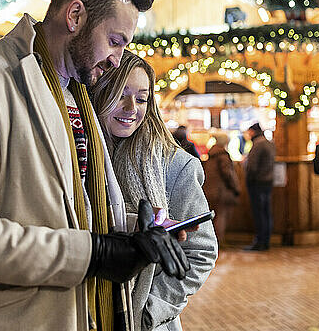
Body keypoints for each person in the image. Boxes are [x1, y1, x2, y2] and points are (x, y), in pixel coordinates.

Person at [0, 0, 190, 331]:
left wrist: (134, 233)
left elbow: (63, 210)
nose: (117, 59)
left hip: (84, 313)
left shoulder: (76, 94)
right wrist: (95, 254)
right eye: (114, 41)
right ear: (75, 15)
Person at [90, 50, 217, 331]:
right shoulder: (79, 155)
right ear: (98, 93)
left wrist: (150, 311)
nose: (130, 107)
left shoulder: (174, 164)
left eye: (141, 98)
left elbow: (202, 251)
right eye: (119, 93)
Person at [203, 134, 240, 246]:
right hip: (220, 192)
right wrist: (235, 187)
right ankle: (218, 243)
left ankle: (210, 242)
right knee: (221, 217)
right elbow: (227, 174)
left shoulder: (211, 154)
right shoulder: (223, 155)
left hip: (208, 190)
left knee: (211, 218)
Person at [243, 123, 275, 251]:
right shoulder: (269, 143)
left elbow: (252, 167)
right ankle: (266, 240)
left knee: (259, 213)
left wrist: (247, 173)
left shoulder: (258, 144)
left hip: (257, 182)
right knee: (266, 212)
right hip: (268, 181)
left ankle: (260, 242)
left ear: (253, 132)